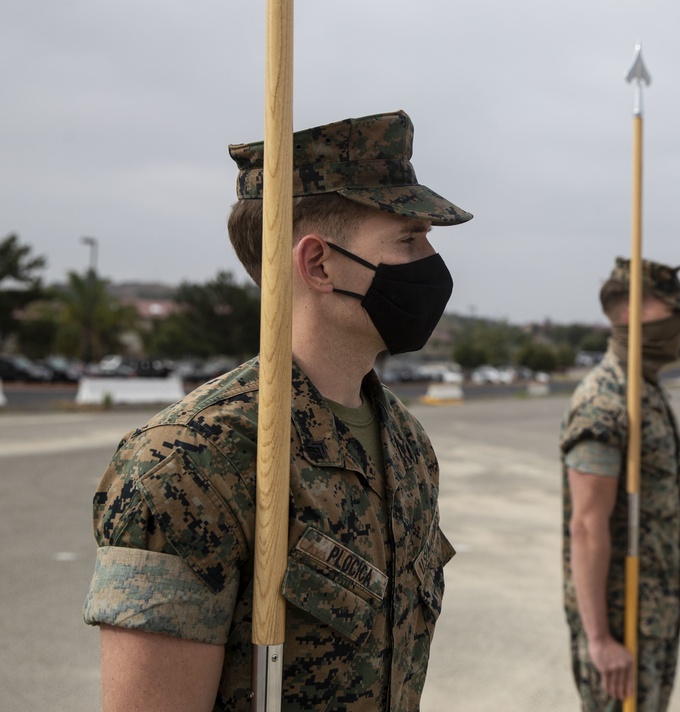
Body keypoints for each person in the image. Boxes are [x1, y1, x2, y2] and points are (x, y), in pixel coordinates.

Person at [83, 110, 472, 712]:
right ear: (318, 263)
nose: (431, 263)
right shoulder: (189, 463)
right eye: (408, 238)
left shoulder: (406, 444)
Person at [560, 257, 680, 712]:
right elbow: (586, 525)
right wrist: (600, 640)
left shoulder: (647, 391)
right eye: (670, 309)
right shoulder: (605, 400)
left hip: (656, 617)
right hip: (623, 626)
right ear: (627, 312)